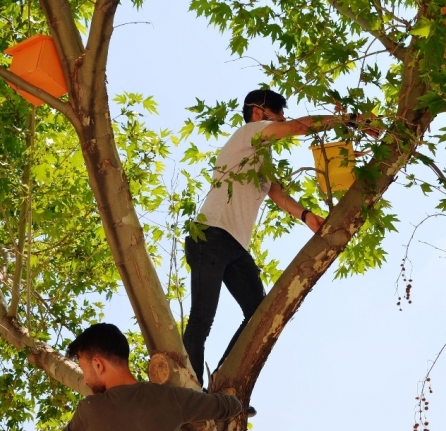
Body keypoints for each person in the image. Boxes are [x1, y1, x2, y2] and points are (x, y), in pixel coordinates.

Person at [182, 89, 366, 393]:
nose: (283, 119)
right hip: (211, 236)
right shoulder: (249, 134)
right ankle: (189, 394)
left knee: (258, 312)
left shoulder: (260, 155)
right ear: (259, 112)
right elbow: (295, 128)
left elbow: (276, 193)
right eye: (278, 113)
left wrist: (306, 216)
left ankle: (221, 385)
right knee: (202, 320)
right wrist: (349, 120)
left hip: (235, 247)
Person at [63, 323, 242, 431]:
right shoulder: (169, 399)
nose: (85, 380)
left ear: (98, 365)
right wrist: (234, 403)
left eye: (83, 369)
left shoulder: (89, 410)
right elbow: (229, 405)